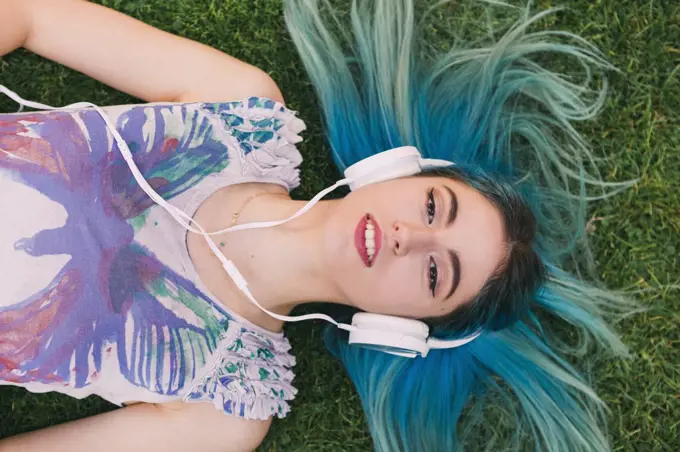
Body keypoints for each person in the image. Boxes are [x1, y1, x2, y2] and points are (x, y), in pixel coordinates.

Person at [0, 0, 633, 451]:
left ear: (402, 329)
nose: (410, 237)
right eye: (433, 206)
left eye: (436, 272)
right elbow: (32, 12)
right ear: (399, 171)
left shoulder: (224, 413)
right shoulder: (239, 107)